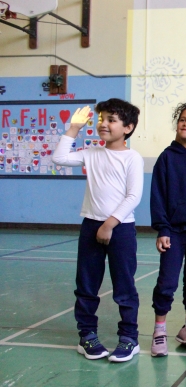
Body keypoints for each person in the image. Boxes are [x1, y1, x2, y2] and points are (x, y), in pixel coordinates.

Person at [52, 99, 144, 362]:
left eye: (111, 120)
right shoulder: (91, 153)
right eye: (101, 119)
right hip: (91, 225)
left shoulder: (132, 158)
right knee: (87, 284)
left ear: (128, 127)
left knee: (124, 286)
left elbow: (133, 196)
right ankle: (87, 335)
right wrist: (73, 129)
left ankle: (129, 338)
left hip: (120, 228)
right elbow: (59, 158)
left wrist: (109, 224)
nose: (103, 124)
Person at [149, 103, 186, 357]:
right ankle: (159, 329)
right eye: (183, 119)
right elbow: (158, 196)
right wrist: (163, 228)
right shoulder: (166, 157)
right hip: (173, 231)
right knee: (167, 282)